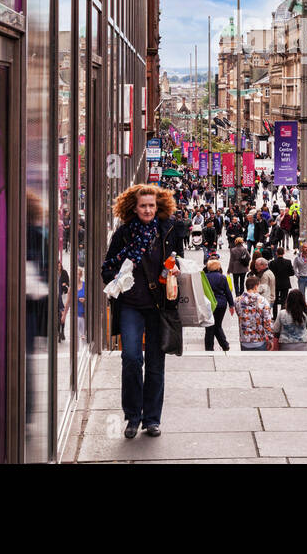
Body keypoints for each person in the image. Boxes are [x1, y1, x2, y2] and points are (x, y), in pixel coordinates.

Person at [100, 183, 181, 438]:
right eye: (143, 206)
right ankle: (133, 416)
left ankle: (152, 419)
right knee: (132, 359)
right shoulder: (124, 234)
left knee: (156, 364)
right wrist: (119, 278)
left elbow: (176, 260)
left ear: (158, 207)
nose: (147, 210)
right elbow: (106, 270)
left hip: (159, 307)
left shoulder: (167, 230)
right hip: (131, 305)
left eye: (151, 205)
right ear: (133, 208)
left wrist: (175, 268)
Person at [203, 258, 234, 352]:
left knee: (209, 326)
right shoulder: (222, 277)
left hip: (208, 304)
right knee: (217, 325)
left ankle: (209, 347)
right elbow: (228, 292)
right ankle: (224, 345)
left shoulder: (205, 277)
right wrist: (231, 305)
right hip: (221, 304)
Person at [236, 274, 272, 351]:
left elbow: (239, 314)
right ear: (256, 286)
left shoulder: (237, 301)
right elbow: (267, 321)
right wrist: (270, 337)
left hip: (244, 340)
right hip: (259, 340)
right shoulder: (263, 301)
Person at [292, 241, 307, 315]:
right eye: (304, 247)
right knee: (302, 295)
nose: (306, 249)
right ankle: (303, 309)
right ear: (302, 249)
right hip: (301, 278)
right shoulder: (298, 258)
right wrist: (297, 275)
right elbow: (294, 267)